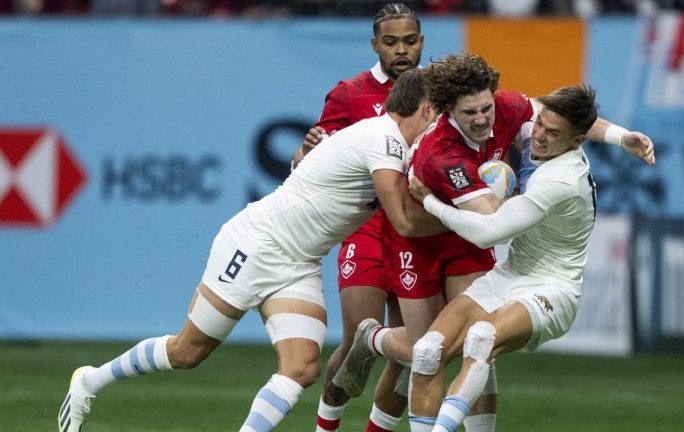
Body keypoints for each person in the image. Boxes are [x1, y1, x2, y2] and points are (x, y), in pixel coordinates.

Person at [56, 68, 442, 432]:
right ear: (426, 109)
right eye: (439, 115)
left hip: (300, 263)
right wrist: (465, 219)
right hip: (256, 244)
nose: (440, 126)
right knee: (187, 352)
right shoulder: (384, 140)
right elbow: (405, 222)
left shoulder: (393, 144)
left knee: (302, 367)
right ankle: (90, 380)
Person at [338, 54, 655, 432]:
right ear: (448, 110)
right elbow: (489, 218)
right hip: (419, 239)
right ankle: (374, 339)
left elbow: (492, 226)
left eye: (486, 108)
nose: (482, 120)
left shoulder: (546, 160)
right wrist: (450, 202)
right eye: (469, 112)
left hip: (518, 264)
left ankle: (380, 347)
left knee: (479, 341)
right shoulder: (444, 155)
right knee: (425, 353)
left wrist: (621, 137)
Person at [403, 84, 618, 432]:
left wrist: (430, 202)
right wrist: (624, 138)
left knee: (482, 338)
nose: (539, 136)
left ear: (576, 141)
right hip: (510, 274)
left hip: (552, 289)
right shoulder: (539, 136)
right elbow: (525, 110)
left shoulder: (561, 179)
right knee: (427, 352)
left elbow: (489, 233)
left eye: (553, 133)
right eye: (541, 124)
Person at [291, 4, 425, 432]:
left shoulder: (438, 92)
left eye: (409, 41)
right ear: (374, 45)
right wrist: (304, 152)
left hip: (418, 232)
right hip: (367, 228)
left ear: (421, 42)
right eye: (391, 42)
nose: (401, 50)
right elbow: (308, 159)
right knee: (356, 342)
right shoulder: (350, 93)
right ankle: (325, 426)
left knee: (414, 352)